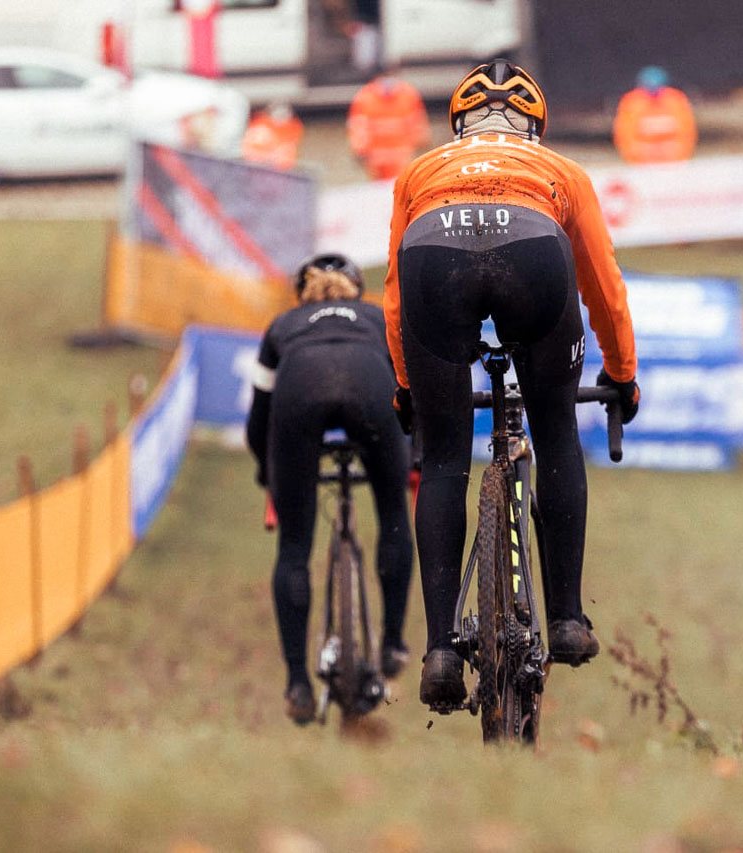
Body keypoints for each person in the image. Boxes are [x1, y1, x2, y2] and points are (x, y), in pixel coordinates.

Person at [382, 59, 642, 709]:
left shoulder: (420, 170)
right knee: (555, 432)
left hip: (431, 249)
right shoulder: (563, 171)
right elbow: (603, 286)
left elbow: (392, 295)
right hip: (533, 247)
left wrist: (407, 386)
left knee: (443, 459)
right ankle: (568, 618)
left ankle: (441, 647)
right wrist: (622, 372)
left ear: (460, 123)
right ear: (534, 125)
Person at [246, 253, 414, 724]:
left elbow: (260, 418)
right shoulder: (377, 317)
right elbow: (411, 393)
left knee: (295, 546)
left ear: (304, 295)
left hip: (301, 390)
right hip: (371, 385)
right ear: (356, 291)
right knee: (393, 514)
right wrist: (413, 459)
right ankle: (393, 644)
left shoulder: (283, 325)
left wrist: (269, 472)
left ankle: (298, 683)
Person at [347, 71, 431, 181]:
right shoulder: (365, 97)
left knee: (399, 185)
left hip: (398, 156)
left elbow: (416, 122)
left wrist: (358, 149)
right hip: (381, 158)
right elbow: (359, 126)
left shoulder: (407, 95)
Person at [612, 66, 698, 164]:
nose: (653, 95)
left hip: (673, 159)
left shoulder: (675, 100)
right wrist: (636, 155)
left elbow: (687, 130)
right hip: (642, 161)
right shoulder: (632, 102)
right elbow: (624, 133)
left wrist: (679, 153)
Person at [242, 103, 304, 171]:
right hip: (260, 168)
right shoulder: (261, 128)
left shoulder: (293, 126)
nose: (282, 119)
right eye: (279, 115)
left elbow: (289, 148)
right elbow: (249, 151)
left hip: (282, 169)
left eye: (284, 115)